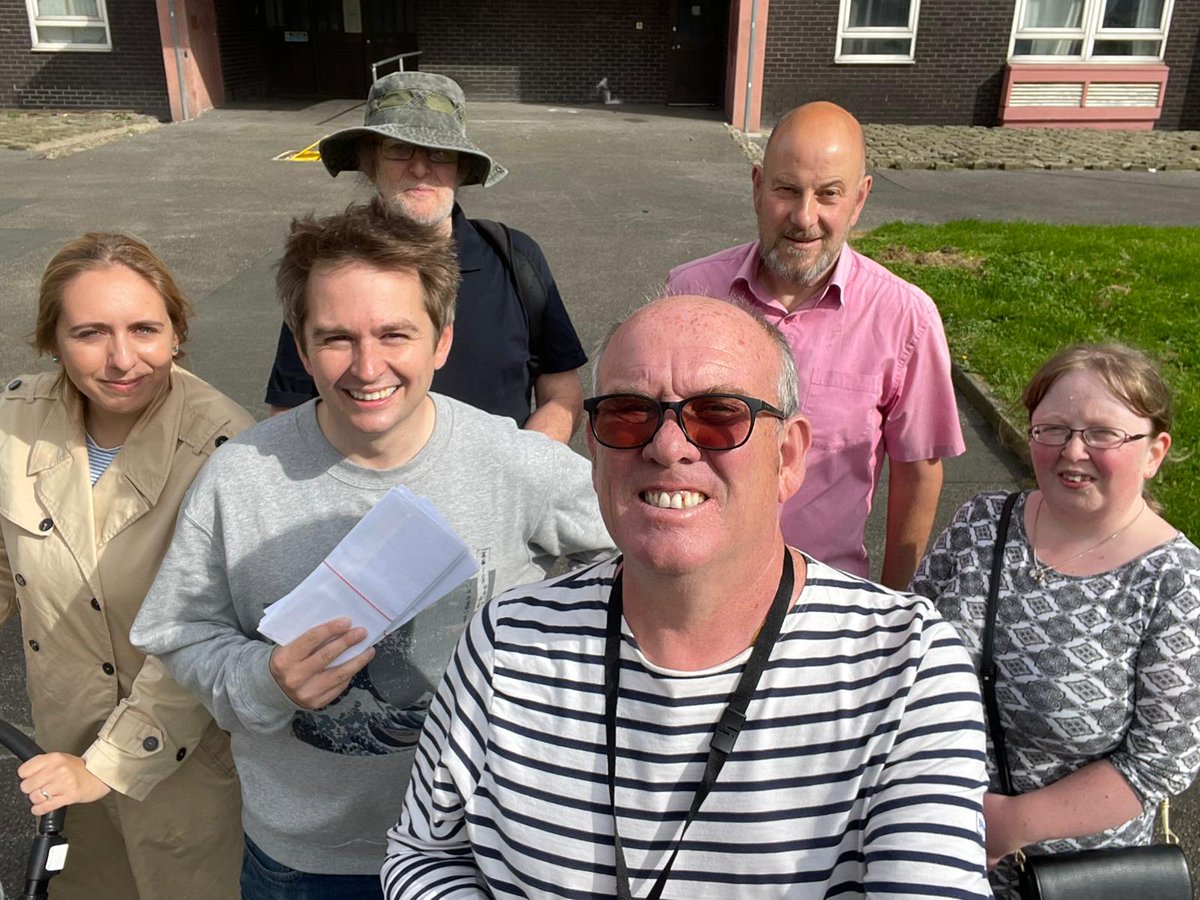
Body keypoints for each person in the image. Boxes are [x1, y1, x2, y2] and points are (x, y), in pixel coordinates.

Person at [383, 295, 990, 899]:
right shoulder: (507, 640)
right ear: (593, 453)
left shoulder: (906, 667)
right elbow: (422, 855)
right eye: (627, 414)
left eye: (718, 416)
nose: (668, 447)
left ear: (789, 456)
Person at [130, 202, 614, 899]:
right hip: (305, 862)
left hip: (478, 847)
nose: (367, 366)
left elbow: (644, 548)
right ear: (300, 347)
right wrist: (265, 679)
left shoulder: (514, 462)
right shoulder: (240, 479)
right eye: (335, 338)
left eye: (395, 333)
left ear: (442, 340)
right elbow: (177, 631)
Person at [0, 233, 252, 898]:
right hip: (61, 751)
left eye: (144, 329)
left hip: (184, 764)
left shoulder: (227, 450)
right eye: (89, 332)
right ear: (52, 339)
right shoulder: (14, 418)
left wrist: (106, 767)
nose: (120, 359)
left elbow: (207, 632)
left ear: (177, 334)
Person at [910, 343, 1200, 898]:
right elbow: (910, 642)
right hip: (933, 844)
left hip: (1075, 876)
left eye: (1102, 434)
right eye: (1052, 429)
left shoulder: (1175, 582)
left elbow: (1160, 762)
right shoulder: (982, 523)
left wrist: (1008, 823)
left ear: (1154, 452)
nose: (1072, 452)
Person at [665, 101, 963, 588]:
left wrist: (891, 602)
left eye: (828, 195)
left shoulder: (905, 318)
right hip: (696, 584)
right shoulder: (689, 293)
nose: (805, 217)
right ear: (758, 187)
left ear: (860, 199)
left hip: (825, 598)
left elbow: (919, 470)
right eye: (787, 190)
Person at [265, 71, 587, 442]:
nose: (420, 167)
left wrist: (519, 469)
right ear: (370, 162)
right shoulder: (328, 272)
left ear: (461, 167)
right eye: (399, 148)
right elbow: (289, 411)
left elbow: (562, 393)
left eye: (440, 152)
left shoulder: (516, 259)